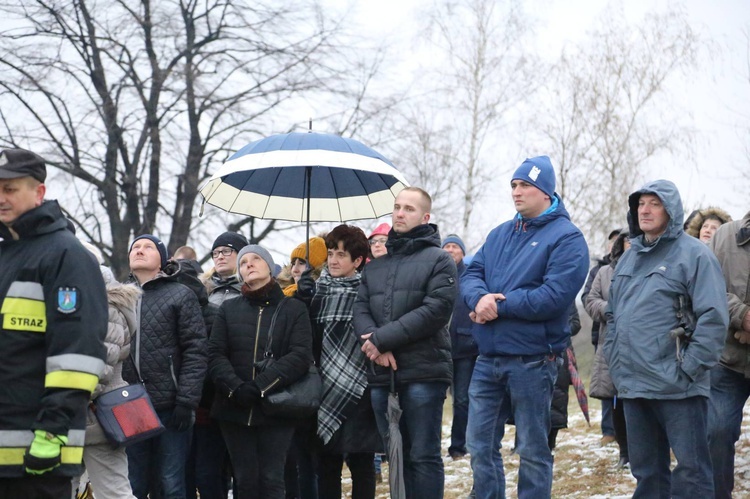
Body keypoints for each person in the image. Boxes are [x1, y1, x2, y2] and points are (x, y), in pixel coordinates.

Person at [461, 156, 589, 499]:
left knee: (532, 448)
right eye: (514, 185)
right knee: (479, 444)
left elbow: (554, 296)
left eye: (526, 186)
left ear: (546, 192)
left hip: (533, 360)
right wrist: (478, 300)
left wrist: (497, 306)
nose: (517, 192)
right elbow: (472, 273)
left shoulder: (567, 238)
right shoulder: (500, 233)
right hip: (487, 358)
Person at [603, 179, 729, 498]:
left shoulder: (694, 255)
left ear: (671, 210)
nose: (645, 210)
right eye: (641, 204)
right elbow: (614, 317)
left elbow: (713, 318)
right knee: (647, 473)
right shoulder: (629, 259)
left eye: (654, 204)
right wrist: (618, 370)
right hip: (635, 385)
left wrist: (688, 369)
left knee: (691, 471)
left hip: (679, 386)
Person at [0, 148, 108, 498]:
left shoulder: (66, 255)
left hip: (38, 451)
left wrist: (53, 432)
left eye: (10, 189)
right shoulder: (7, 255)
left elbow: (77, 354)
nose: (1, 198)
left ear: (39, 192)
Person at [353, 187, 457, 499]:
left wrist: (382, 340)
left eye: (409, 209)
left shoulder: (439, 260)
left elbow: (435, 310)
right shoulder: (375, 267)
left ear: (425, 217)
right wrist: (376, 346)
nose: (399, 213)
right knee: (395, 455)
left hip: (424, 372)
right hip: (382, 374)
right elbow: (360, 309)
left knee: (422, 456)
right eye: (397, 207)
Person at [208, 245, 314, 499]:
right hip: (234, 408)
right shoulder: (228, 309)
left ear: (270, 266)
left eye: (256, 259)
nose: (249, 264)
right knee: (244, 480)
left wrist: (260, 386)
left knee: (272, 479)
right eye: (244, 262)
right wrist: (236, 387)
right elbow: (215, 354)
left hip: (277, 407)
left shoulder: (293, 309)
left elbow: (300, 355)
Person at [300, 224, 382, 499]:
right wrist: (303, 299)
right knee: (326, 463)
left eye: (341, 255)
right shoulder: (316, 290)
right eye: (331, 252)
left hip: (360, 385)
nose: (333, 260)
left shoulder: (369, 291)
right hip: (323, 385)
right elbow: (306, 339)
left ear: (358, 261)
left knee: (361, 462)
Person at [125, 234, 208, 499]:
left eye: (148, 247)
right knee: (133, 483)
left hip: (170, 406)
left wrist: (186, 401)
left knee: (171, 483)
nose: (140, 250)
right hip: (128, 406)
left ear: (162, 259)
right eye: (135, 247)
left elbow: (196, 350)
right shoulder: (119, 296)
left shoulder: (180, 294)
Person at [186, 231, 249, 499]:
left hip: (244, 384)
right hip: (210, 391)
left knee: (243, 469)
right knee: (209, 471)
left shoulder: (253, 289)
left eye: (227, 251)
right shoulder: (203, 291)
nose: (220, 257)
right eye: (216, 252)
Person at [79, 243, 140, 499]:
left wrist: (61, 401)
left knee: (114, 493)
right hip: (81, 415)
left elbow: (101, 368)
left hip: (98, 416)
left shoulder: (108, 308)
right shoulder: (85, 303)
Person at [707, 209, 750, 499]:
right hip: (728, 359)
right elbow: (707, 286)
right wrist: (743, 316)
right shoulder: (724, 236)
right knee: (716, 432)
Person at [585, 232, 631, 469]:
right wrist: (610, 309)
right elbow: (590, 299)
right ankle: (624, 452)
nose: (632, 244)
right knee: (617, 401)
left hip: (642, 346)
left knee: (641, 402)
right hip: (610, 344)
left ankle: (645, 451)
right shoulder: (604, 273)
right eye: (627, 241)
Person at [580, 228, 621, 446]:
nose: (615, 245)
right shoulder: (599, 270)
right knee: (606, 384)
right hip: (602, 334)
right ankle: (608, 430)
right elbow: (588, 297)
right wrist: (608, 309)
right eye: (612, 241)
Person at [441, 234, 478, 460]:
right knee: (434, 399)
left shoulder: (471, 277)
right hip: (439, 349)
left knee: (462, 399)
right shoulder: (436, 275)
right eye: (446, 246)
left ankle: (458, 446)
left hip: (465, 349)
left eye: (455, 247)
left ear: (462, 253)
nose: (450, 250)